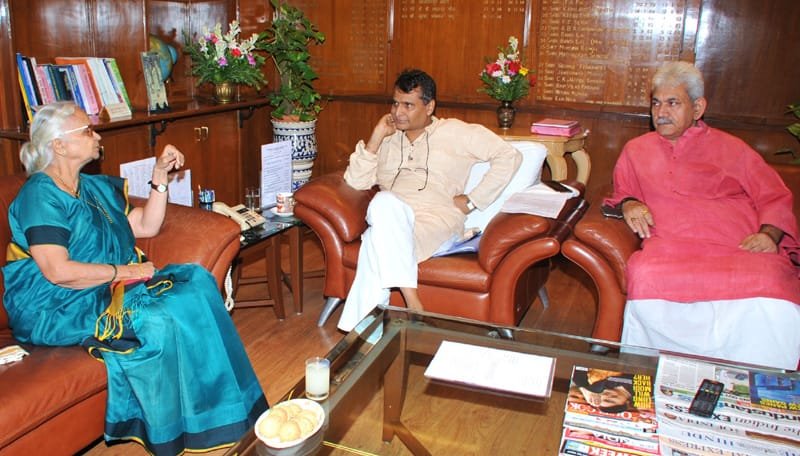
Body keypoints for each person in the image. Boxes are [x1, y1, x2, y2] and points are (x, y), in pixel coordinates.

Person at [3, 102, 267, 454]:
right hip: (56, 306)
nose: (98, 136)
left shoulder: (92, 188)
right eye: (87, 130)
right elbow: (58, 271)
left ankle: (227, 413)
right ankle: (175, 431)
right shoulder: (40, 195)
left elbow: (146, 225)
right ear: (59, 145)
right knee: (156, 318)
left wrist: (160, 178)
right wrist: (126, 271)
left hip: (100, 289)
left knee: (197, 284)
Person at [604, 61, 800, 370]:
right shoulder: (636, 150)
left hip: (738, 246)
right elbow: (621, 191)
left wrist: (769, 234)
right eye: (656, 103)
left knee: (770, 279)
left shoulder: (732, 148)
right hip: (671, 247)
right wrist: (629, 203)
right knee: (646, 273)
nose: (661, 112)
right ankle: (656, 374)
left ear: (698, 108)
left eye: (673, 103)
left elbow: (774, 194)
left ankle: (761, 383)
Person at [338, 69, 521, 332]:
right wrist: (376, 137)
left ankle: (362, 334)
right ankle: (410, 303)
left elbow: (509, 156)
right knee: (383, 203)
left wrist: (473, 200)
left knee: (376, 239)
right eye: (395, 103)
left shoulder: (456, 132)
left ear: (429, 106)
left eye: (408, 105)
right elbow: (355, 182)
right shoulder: (388, 140)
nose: (398, 112)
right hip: (391, 217)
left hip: (437, 220)